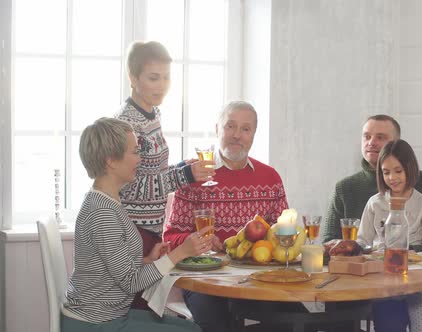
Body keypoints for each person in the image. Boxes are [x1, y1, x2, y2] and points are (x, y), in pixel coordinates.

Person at [61, 117, 213, 332]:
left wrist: (148, 259)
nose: (139, 159)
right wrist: (179, 253)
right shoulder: (102, 212)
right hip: (94, 323)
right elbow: (131, 283)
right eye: (134, 152)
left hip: (108, 316)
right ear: (111, 160)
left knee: (191, 327)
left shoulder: (107, 201)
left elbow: (114, 269)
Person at [164, 101, 295, 331]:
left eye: (245, 129)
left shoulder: (270, 177)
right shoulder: (194, 175)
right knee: (218, 324)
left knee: (293, 319)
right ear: (217, 129)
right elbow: (171, 236)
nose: (237, 135)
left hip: (256, 278)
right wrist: (195, 241)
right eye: (230, 127)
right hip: (204, 279)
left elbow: (283, 232)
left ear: (254, 134)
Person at [114, 41, 214, 310]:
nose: (161, 85)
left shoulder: (151, 114)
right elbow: (129, 186)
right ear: (133, 78)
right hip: (135, 231)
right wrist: (185, 176)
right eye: (153, 78)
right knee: (136, 313)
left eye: (166, 77)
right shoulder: (127, 124)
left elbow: (152, 172)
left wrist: (182, 167)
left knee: (144, 311)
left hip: (150, 229)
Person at [322, 114, 422, 260]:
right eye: (367, 136)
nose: (371, 142)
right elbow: (329, 244)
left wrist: (404, 255)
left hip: (411, 268)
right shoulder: (344, 188)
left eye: (380, 137)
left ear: (397, 144)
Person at [359, 139, 422, 332]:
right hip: (381, 275)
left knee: (417, 307)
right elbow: (363, 240)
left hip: (412, 274)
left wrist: (415, 261)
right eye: (386, 172)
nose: (392, 177)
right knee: (388, 313)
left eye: (398, 171)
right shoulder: (375, 203)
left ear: (410, 169)